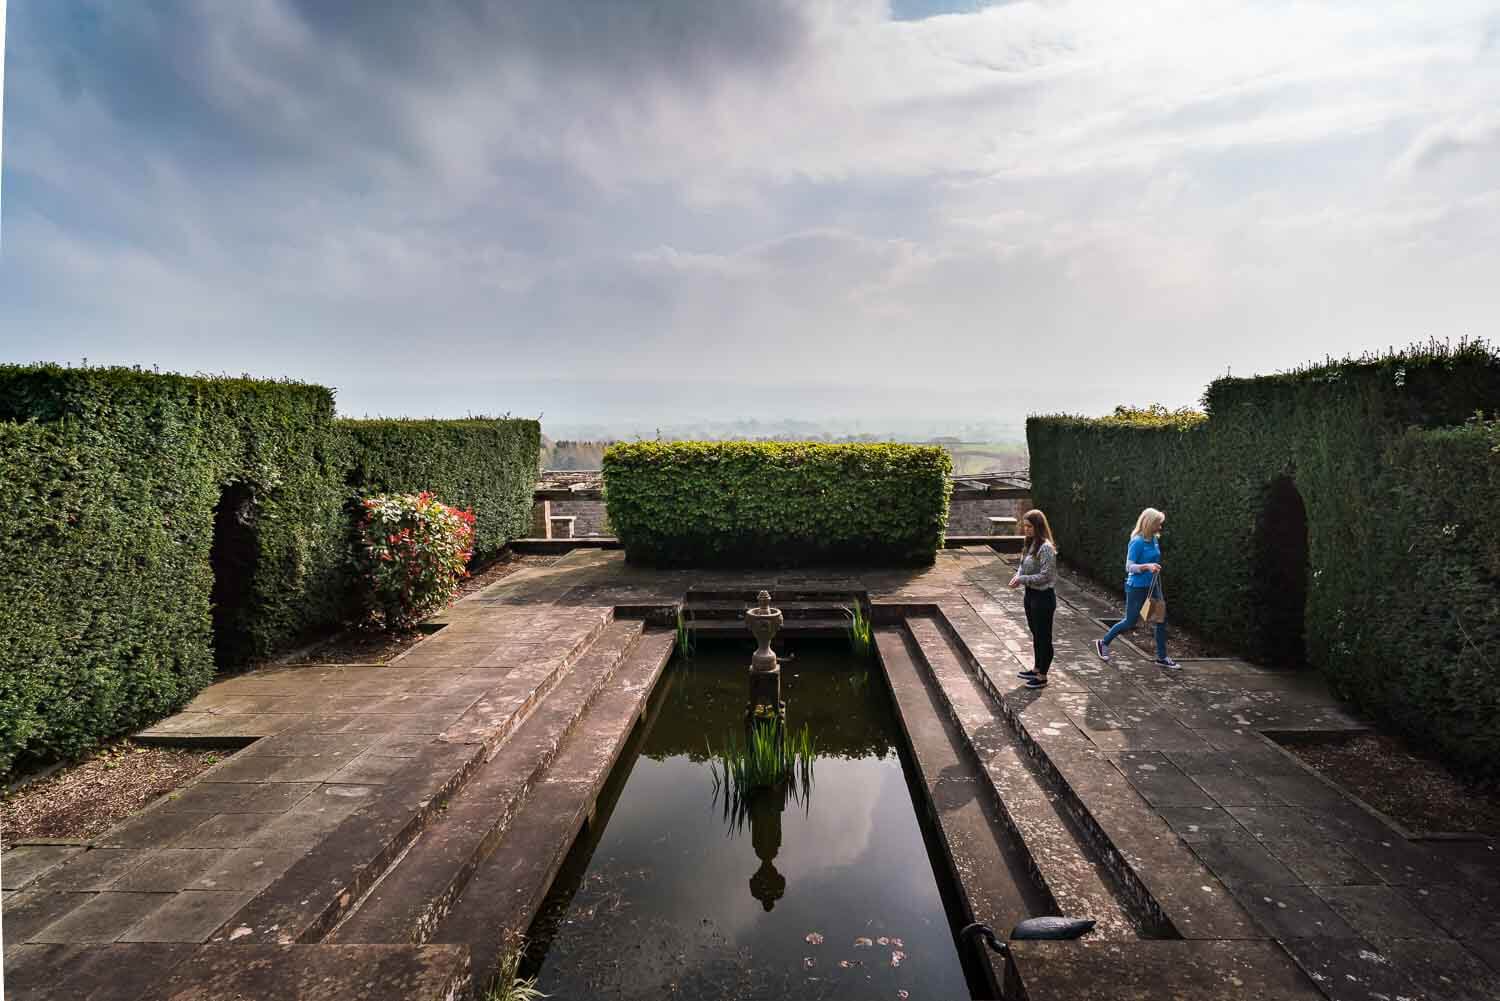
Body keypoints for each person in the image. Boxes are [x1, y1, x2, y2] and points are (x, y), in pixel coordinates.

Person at [1095, 507, 1179, 669]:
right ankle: (1103, 642)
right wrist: (1147, 566)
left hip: (1153, 586)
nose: (1160, 527)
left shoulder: (1154, 539)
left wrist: (1154, 566)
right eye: (1158, 524)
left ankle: (1162, 657)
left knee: (1160, 621)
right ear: (1149, 523)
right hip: (1137, 588)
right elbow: (1129, 567)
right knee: (1130, 622)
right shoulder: (1137, 541)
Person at [1009, 509, 1058, 689]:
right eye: (1025, 526)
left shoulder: (1046, 548)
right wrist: (1018, 576)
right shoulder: (1030, 544)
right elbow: (1023, 566)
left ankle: (1043, 675)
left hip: (1043, 597)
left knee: (1044, 636)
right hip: (1030, 595)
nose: (1026, 530)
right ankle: (1036, 668)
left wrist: (1022, 579)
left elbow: (1046, 576)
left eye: (1030, 527)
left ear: (1038, 527)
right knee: (1035, 634)